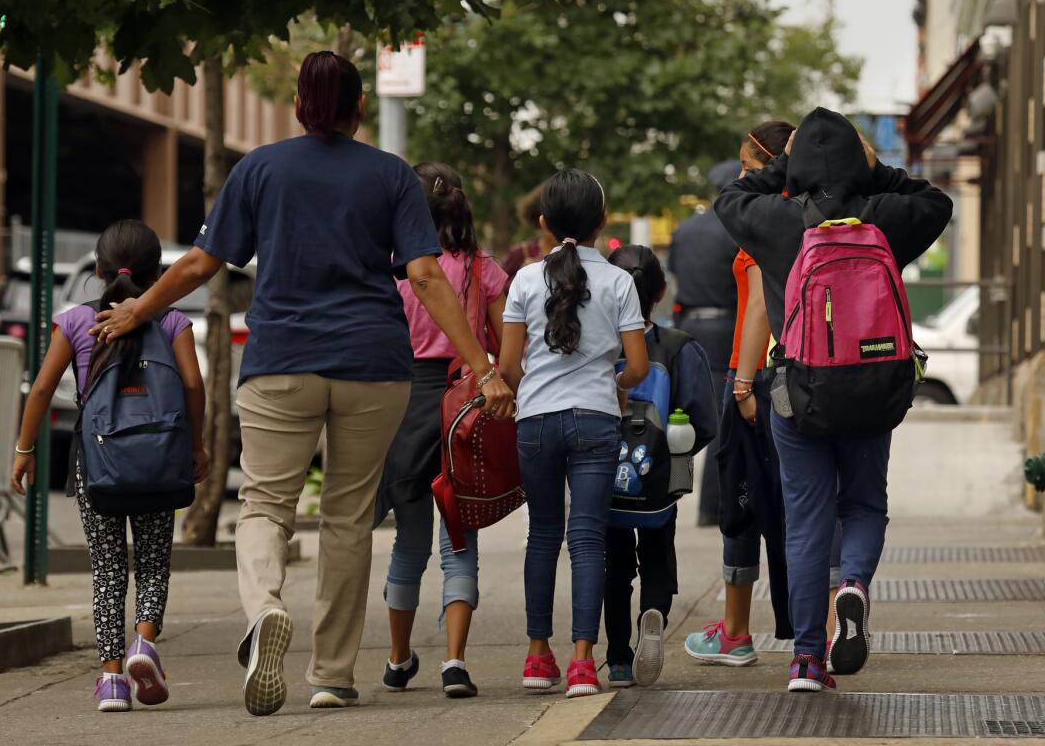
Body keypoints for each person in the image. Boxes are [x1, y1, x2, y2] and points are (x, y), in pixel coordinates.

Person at [92, 51, 514, 715]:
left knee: (263, 504)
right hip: (374, 367)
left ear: (297, 105)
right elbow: (428, 276)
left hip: (281, 361)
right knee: (347, 516)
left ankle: (265, 611)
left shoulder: (259, 168)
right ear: (359, 107)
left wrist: (137, 309)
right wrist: (484, 368)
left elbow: (204, 261)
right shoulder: (391, 175)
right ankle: (332, 674)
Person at [715, 107, 952, 692]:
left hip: (799, 392)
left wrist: (783, 171)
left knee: (805, 522)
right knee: (866, 506)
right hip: (873, 389)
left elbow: (729, 197)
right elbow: (937, 201)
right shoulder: (887, 217)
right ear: (859, 160)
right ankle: (854, 587)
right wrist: (879, 173)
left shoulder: (776, 220)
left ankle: (805, 660)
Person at [10, 220, 209, 713]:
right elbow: (192, 385)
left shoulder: (76, 321)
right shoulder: (171, 321)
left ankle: (112, 679)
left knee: (106, 567)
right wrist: (196, 445)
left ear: (98, 270)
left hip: (97, 462)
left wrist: (25, 448)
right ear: (157, 270)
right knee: (154, 557)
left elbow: (40, 389)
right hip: (160, 458)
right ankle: (144, 643)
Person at [685, 121, 842, 667]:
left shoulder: (765, 220)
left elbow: (756, 307)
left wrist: (744, 383)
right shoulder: (815, 214)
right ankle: (822, 629)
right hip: (812, 371)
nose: (743, 177)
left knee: (744, 504)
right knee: (816, 503)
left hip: (760, 374)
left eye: (749, 167)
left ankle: (736, 632)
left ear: (771, 163)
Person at [498, 168, 649, 699]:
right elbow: (637, 365)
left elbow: (509, 366)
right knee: (587, 539)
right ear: (602, 222)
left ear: (543, 222)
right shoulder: (620, 282)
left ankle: (538, 656)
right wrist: (616, 384)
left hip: (535, 421)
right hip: (596, 420)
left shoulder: (522, 280)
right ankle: (584, 662)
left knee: (542, 535)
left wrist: (534, 385)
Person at [374, 162, 508, 699]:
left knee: (409, 540)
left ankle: (399, 658)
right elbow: (504, 346)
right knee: (460, 536)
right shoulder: (484, 268)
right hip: (463, 405)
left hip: (403, 404)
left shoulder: (395, 270)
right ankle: (454, 661)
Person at [602, 245, 719, 689]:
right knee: (656, 554)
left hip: (605, 474)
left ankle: (616, 657)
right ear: (662, 292)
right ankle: (654, 614)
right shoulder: (679, 348)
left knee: (614, 566)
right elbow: (705, 420)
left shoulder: (595, 345)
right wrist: (677, 459)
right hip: (658, 478)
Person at [668, 195, 740, 527]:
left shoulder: (684, 230)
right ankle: (712, 505)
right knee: (722, 418)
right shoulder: (734, 230)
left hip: (688, 327)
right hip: (726, 328)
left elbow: (677, 283)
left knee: (687, 412)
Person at [501, 186, 553, 292]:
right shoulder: (521, 252)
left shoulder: (573, 253)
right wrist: (523, 275)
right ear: (542, 222)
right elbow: (497, 289)